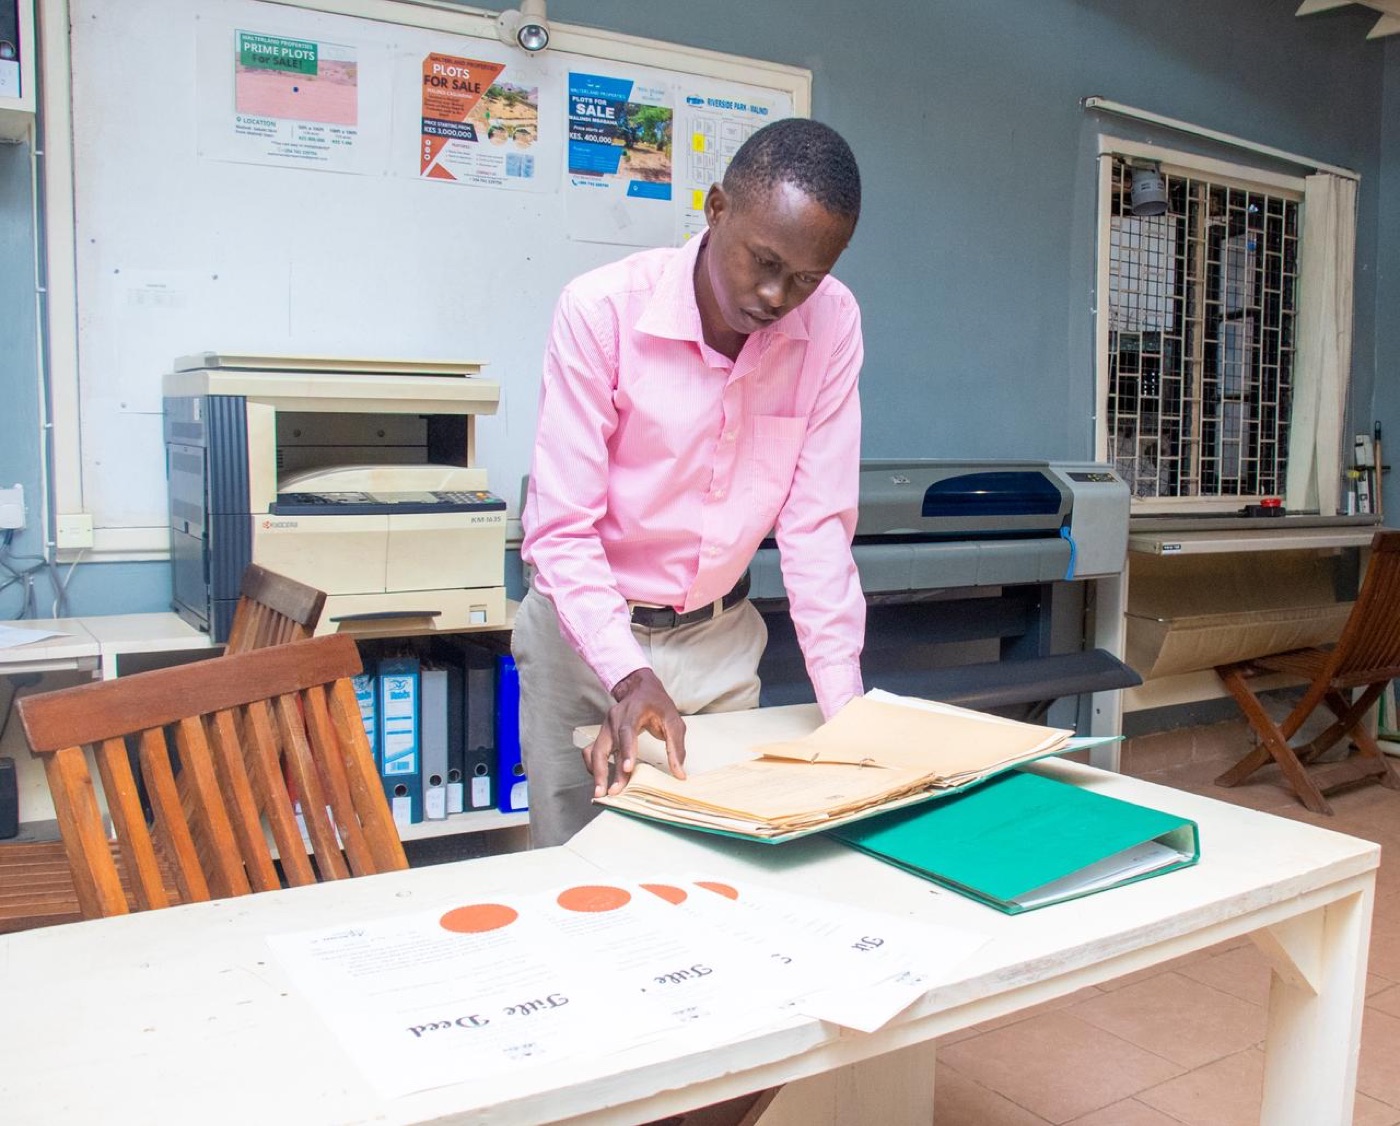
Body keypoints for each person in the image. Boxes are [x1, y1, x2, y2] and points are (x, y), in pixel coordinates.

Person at [514, 117, 866, 848]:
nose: (775, 295)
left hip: (721, 642)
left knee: (723, 867)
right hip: (584, 640)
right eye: (762, 261)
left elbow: (816, 530)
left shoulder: (833, 324)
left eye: (806, 277)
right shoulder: (601, 312)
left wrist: (849, 712)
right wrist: (626, 674)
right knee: (578, 866)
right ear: (715, 210)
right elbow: (561, 531)